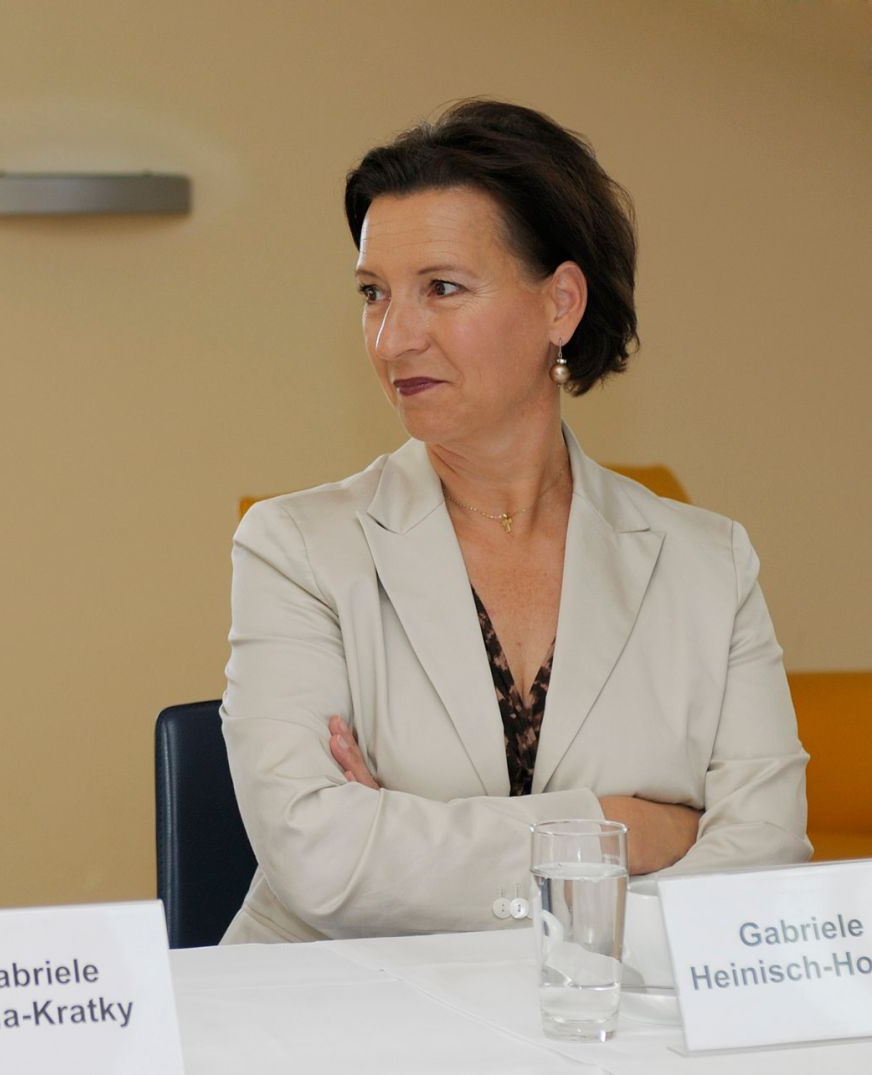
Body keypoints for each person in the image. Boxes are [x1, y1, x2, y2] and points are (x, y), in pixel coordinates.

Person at [221, 100, 809, 945]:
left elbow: (762, 864)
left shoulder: (709, 563)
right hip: (343, 1023)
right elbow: (324, 861)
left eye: (442, 289)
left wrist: (422, 845)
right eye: (373, 294)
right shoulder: (296, 548)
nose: (393, 339)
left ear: (560, 305)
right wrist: (627, 829)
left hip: (617, 1028)